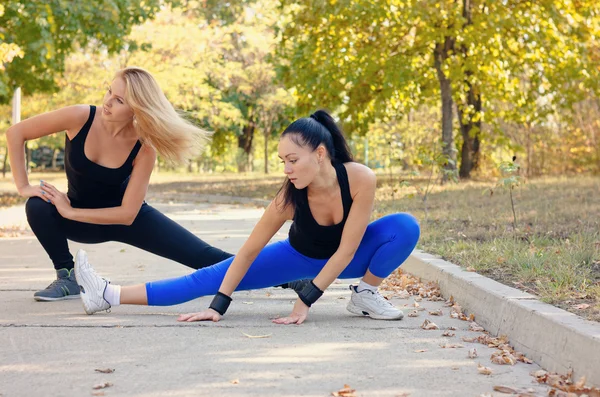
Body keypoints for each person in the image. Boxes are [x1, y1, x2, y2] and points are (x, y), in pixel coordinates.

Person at [75, 110, 421, 323]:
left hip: (347, 261)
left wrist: (306, 300)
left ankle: (365, 294)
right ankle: (108, 294)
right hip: (296, 259)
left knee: (404, 226)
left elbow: (347, 250)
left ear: (319, 154)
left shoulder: (360, 178)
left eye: (293, 160)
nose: (286, 169)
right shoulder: (288, 199)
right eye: (282, 161)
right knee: (207, 279)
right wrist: (220, 305)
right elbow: (249, 250)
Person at [6, 67, 232, 302]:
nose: (108, 102)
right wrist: (23, 187)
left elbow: (127, 214)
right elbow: (16, 133)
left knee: (207, 258)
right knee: (37, 205)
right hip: (81, 222)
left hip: (128, 220)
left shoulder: (144, 147)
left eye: (119, 100)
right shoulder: (80, 117)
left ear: (137, 108)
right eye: (109, 92)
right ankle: (67, 276)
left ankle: (273, 274)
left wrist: (71, 211)